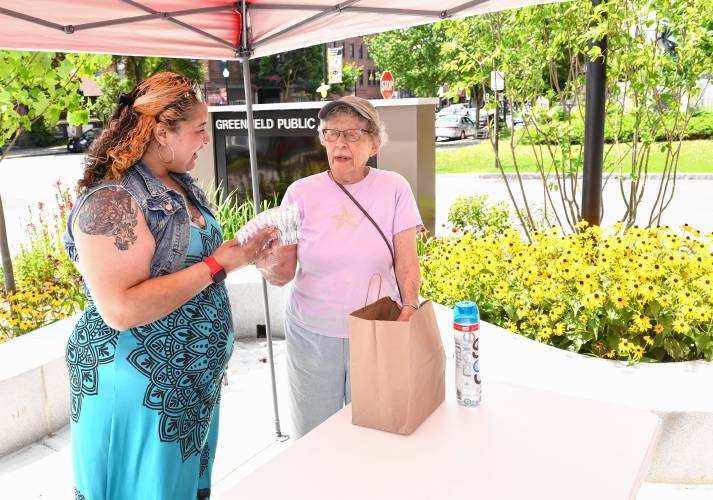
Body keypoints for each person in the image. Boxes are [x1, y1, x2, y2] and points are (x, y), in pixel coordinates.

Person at [63, 72, 275, 500]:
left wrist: (243, 255)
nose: (205, 140)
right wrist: (219, 264)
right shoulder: (111, 201)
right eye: (199, 130)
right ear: (162, 132)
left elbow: (194, 266)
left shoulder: (179, 184)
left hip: (185, 389)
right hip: (138, 387)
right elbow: (119, 309)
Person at [256, 96, 423, 438]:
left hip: (376, 331)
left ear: (375, 143)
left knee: (375, 432)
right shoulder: (299, 194)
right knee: (316, 435)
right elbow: (283, 273)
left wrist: (410, 307)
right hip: (312, 334)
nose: (340, 143)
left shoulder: (394, 187)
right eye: (331, 134)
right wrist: (263, 261)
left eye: (353, 133)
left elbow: (407, 261)